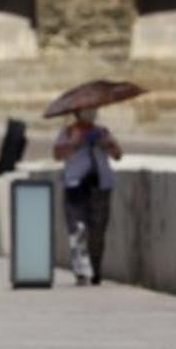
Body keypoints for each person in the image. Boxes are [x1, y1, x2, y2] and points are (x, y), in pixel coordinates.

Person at [53, 107, 123, 285]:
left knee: (98, 230)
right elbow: (57, 154)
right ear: (78, 112)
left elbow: (118, 155)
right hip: (76, 185)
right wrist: (75, 142)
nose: (91, 113)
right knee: (77, 229)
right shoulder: (68, 131)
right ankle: (81, 271)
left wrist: (108, 143)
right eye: (87, 110)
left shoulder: (102, 131)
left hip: (100, 186)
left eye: (93, 110)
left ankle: (96, 268)